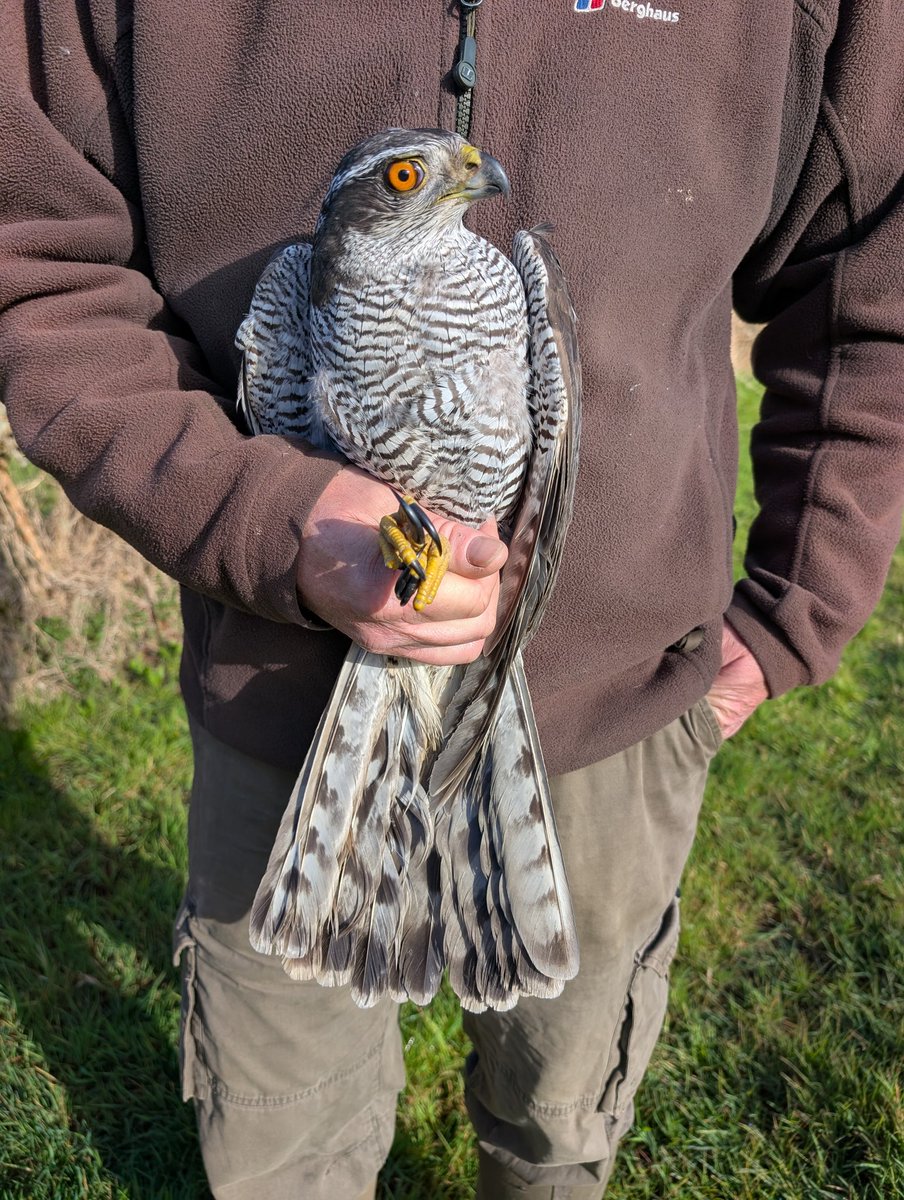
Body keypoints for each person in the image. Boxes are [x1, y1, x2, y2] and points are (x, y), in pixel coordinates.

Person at [2, 2, 902, 1197]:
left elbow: (872, 282)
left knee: (557, 1126)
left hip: (606, 704)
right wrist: (273, 524)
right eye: (428, 176)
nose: (472, 181)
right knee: (280, 1146)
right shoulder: (296, 292)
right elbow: (40, 274)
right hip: (288, 692)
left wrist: (801, 603)